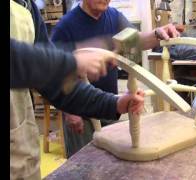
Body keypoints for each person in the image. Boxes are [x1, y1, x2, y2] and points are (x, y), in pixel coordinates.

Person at [10, 0, 144, 179]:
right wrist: (70, 61)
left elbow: (54, 83)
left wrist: (115, 103)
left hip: (21, 154)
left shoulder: (27, 6)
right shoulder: (67, 23)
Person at [50, 0, 183, 158]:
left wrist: (157, 33)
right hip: (81, 111)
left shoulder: (114, 17)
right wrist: (69, 112)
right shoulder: (65, 26)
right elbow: (53, 72)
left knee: (110, 163)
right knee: (83, 164)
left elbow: (137, 40)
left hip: (110, 105)